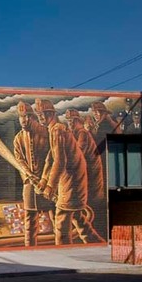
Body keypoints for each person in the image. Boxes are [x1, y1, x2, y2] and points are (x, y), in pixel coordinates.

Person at [35, 99, 102, 245]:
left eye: (42, 114)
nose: (39, 117)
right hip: (72, 180)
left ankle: (62, 253)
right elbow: (50, 158)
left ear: (50, 114)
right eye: (38, 114)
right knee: (78, 218)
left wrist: (50, 186)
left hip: (73, 181)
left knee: (61, 221)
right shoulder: (54, 129)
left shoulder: (57, 129)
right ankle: (95, 243)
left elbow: (60, 161)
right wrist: (43, 180)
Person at [12, 101, 53, 246]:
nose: (24, 120)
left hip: (49, 184)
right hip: (30, 184)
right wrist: (29, 175)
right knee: (30, 218)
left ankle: (61, 247)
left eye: (26, 116)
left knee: (54, 214)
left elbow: (52, 157)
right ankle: (29, 246)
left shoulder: (46, 133)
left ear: (32, 117)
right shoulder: (18, 139)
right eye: (21, 117)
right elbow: (19, 160)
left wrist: (44, 179)